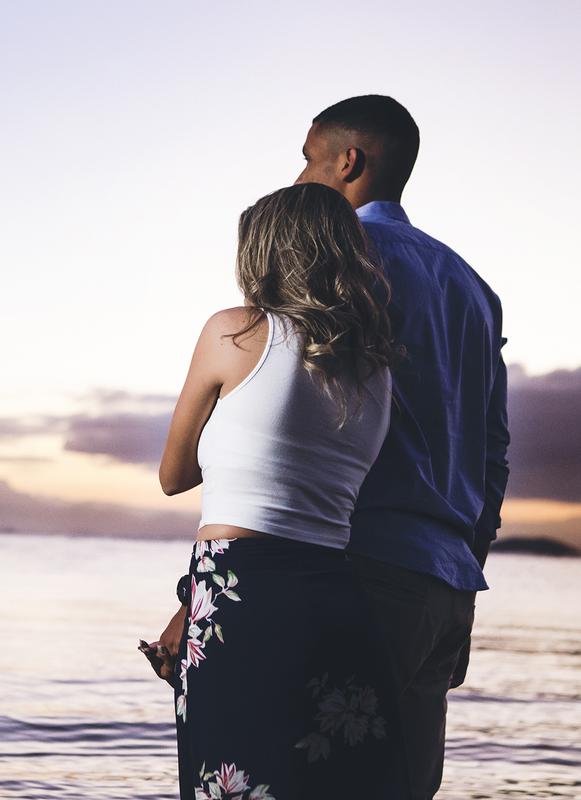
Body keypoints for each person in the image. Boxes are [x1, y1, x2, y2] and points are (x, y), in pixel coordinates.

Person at [140, 182, 410, 800]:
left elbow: (173, 475)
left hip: (244, 601)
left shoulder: (233, 333)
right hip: (338, 598)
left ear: (264, 254)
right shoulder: (376, 366)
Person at [293, 95, 510, 800]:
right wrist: (463, 569)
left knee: (318, 781)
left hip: (358, 568)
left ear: (348, 161)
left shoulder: (337, 256)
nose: (299, 179)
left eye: (308, 159)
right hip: (446, 583)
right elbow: (493, 451)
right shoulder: (474, 288)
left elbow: (295, 425)